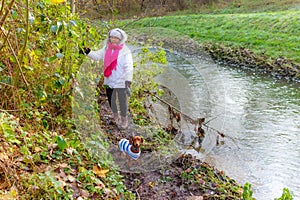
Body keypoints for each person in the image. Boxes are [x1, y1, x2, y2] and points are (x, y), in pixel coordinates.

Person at [80, 28, 133, 129]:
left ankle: (124, 120)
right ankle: (115, 117)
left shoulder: (125, 51)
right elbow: (97, 56)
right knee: (111, 99)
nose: (113, 40)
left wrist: (128, 80)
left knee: (122, 101)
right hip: (109, 80)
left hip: (121, 81)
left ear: (120, 39)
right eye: (112, 37)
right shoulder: (106, 48)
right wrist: (87, 51)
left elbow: (129, 66)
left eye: (116, 38)